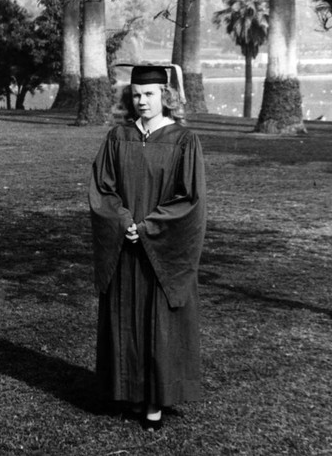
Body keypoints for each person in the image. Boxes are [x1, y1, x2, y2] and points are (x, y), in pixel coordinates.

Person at [88, 63, 206, 430]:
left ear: (165, 96)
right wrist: (123, 222)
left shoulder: (184, 140)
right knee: (127, 318)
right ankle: (132, 394)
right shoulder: (117, 137)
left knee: (158, 321)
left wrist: (151, 226)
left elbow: (190, 199)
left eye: (150, 94)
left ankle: (156, 399)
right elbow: (102, 189)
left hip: (161, 249)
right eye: (136, 94)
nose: (142, 101)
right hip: (124, 245)